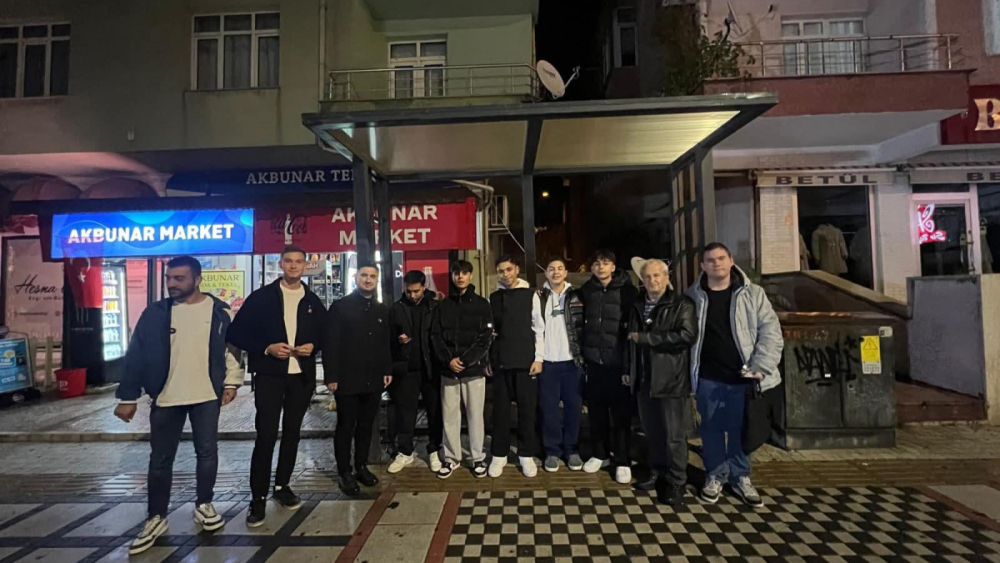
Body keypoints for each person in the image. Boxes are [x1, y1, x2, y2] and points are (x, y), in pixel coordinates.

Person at [114, 256, 243, 555]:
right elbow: (136, 354)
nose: (172, 284)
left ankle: (204, 504)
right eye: (169, 278)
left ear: (197, 279)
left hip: (206, 395)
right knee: (160, 458)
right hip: (166, 396)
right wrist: (128, 397)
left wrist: (232, 382)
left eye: (179, 278)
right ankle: (156, 516)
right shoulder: (155, 313)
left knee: (207, 452)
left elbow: (231, 349)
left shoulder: (219, 311)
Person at [227, 245, 325, 526]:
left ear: (305, 265)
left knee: (292, 433)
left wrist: (314, 346)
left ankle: (282, 486)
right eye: (289, 261)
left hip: (300, 378)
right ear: (281, 264)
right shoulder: (262, 297)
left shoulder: (311, 300)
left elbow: (325, 333)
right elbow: (236, 333)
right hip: (270, 375)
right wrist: (266, 348)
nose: (294, 266)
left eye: (299, 262)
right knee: (266, 435)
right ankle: (257, 497)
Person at [688, 242, 783, 508]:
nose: (716, 264)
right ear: (703, 266)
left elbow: (771, 331)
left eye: (721, 258)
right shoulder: (693, 296)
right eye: (710, 260)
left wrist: (761, 366)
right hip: (708, 376)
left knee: (742, 429)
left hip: (744, 377)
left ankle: (740, 477)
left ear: (731, 261)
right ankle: (715, 475)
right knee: (711, 429)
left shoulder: (752, 294)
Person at [627, 259, 697, 506]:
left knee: (674, 436)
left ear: (667, 278)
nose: (652, 280)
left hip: (670, 379)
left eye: (657, 275)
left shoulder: (682, 304)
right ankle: (656, 472)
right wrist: (629, 371)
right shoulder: (637, 304)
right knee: (653, 432)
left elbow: (687, 336)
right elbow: (630, 342)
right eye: (647, 277)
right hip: (644, 379)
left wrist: (648, 339)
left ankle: (677, 480)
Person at [323, 263, 392, 496]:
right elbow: (331, 343)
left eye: (372, 276)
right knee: (346, 426)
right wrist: (331, 375)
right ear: (356, 278)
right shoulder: (340, 307)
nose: (368, 279)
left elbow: (385, 343)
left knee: (366, 425)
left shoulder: (380, 309)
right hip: (346, 378)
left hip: (373, 377)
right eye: (364, 275)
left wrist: (387, 369)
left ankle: (361, 466)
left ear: (377, 280)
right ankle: (344, 472)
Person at [578, 249, 638, 484]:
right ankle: (600, 454)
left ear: (613, 266)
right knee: (596, 412)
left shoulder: (628, 291)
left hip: (618, 362)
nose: (600, 267)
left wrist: (628, 365)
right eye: (596, 263)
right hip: (594, 361)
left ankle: (622, 460)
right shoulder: (587, 291)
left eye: (605, 263)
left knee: (621, 415)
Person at [431, 260, 494, 479]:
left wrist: (465, 360)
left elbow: (486, 337)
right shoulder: (443, 305)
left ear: (470, 276)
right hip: (448, 370)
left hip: (473, 370)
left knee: (476, 416)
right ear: (452, 275)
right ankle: (451, 458)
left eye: (464, 273)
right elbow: (435, 336)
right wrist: (449, 360)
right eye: (457, 273)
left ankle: (477, 458)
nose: (460, 277)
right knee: (449, 416)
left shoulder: (482, 304)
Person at [488, 256, 544, 478]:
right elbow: (491, 332)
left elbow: (539, 328)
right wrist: (489, 360)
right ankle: (499, 454)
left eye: (509, 269)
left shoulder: (530, 295)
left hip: (526, 361)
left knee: (527, 411)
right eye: (501, 270)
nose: (505, 274)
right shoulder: (494, 297)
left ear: (517, 269)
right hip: (501, 362)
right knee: (500, 412)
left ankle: (526, 454)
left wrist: (539, 358)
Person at [386, 270, 442, 474]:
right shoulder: (397, 308)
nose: (412, 295)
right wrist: (398, 340)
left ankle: (434, 449)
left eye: (416, 291)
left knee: (435, 412)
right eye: (409, 291)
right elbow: (388, 340)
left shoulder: (434, 307)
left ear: (424, 287)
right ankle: (405, 451)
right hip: (406, 369)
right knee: (405, 413)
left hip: (430, 368)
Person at [537, 257, 586, 472]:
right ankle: (552, 451)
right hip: (548, 363)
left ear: (566, 272)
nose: (556, 272)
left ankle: (572, 449)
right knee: (549, 410)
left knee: (574, 408)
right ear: (546, 273)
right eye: (551, 269)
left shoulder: (577, 295)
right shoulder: (538, 297)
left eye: (560, 269)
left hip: (572, 362)